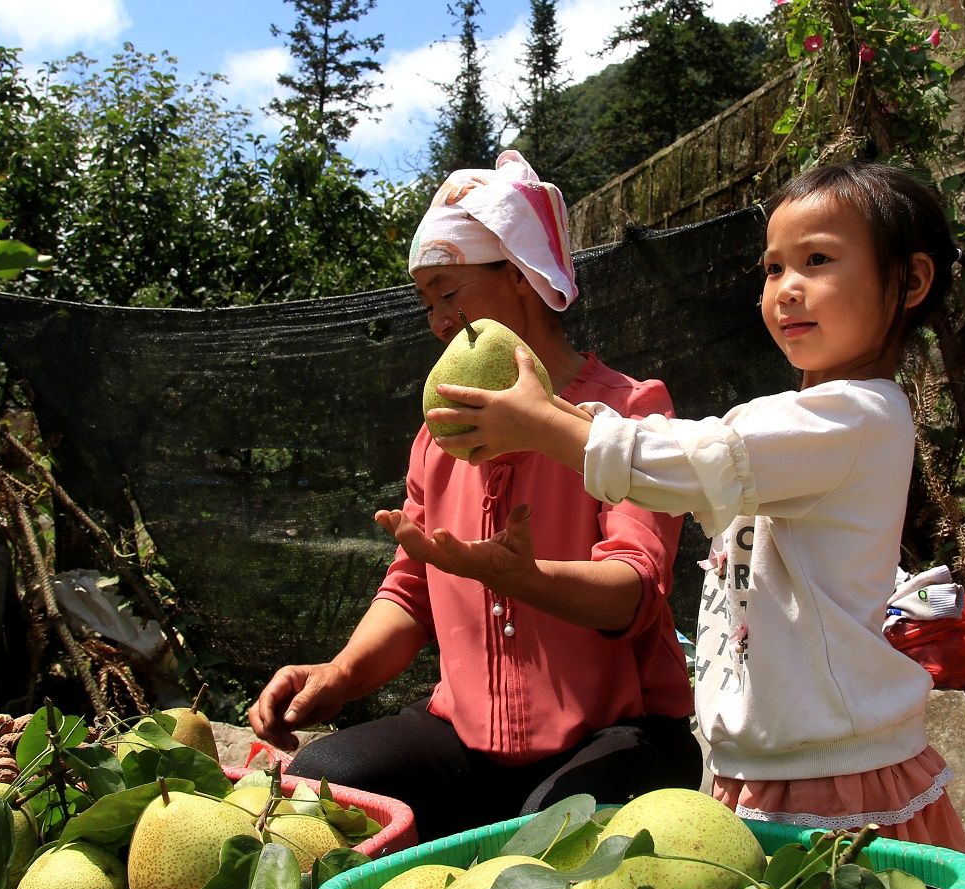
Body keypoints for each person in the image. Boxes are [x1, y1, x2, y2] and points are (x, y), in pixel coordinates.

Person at [424, 161, 965, 852]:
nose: (786, 288)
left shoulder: (860, 416)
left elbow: (690, 463)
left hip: (836, 771)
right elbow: (698, 455)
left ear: (910, 281)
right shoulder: (793, 416)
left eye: (817, 261)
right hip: (764, 757)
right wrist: (564, 418)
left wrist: (546, 425)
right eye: (773, 268)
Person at [247, 150, 703, 842]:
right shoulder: (437, 440)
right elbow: (409, 594)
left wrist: (525, 578)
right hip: (467, 741)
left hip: (622, 735)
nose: (437, 322)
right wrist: (336, 677)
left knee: (542, 838)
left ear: (520, 275)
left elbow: (632, 592)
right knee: (324, 780)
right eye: (427, 303)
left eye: (448, 292)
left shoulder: (627, 416)